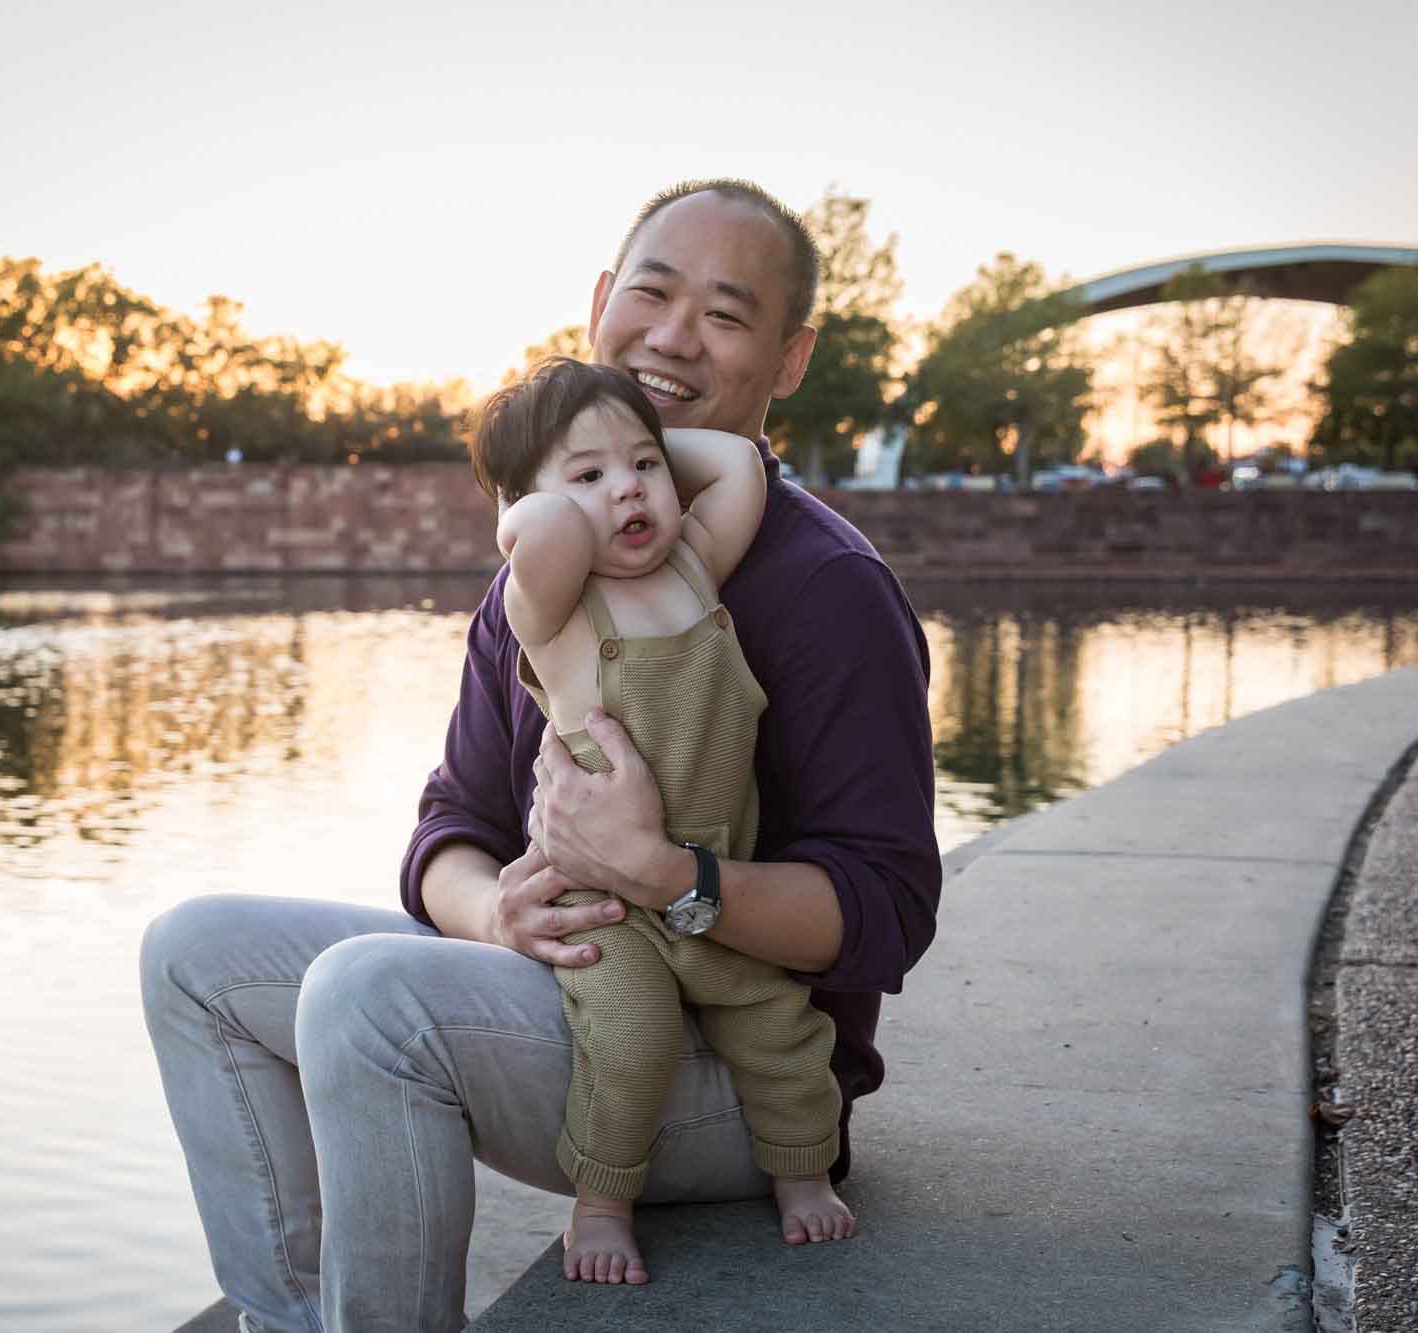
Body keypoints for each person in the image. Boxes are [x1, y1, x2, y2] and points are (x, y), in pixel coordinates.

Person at [141, 179, 942, 1333]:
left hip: (734, 1084)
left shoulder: (828, 587)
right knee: (192, 954)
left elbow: (888, 908)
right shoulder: (542, 575)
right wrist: (494, 915)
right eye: (652, 295)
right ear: (601, 303)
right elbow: (447, 826)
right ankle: (288, 1318)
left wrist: (673, 875)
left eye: (724, 315)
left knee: (368, 994)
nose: (671, 336)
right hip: (563, 988)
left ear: (788, 357)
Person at [471, 356, 847, 1283]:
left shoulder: (692, 561)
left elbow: (739, 461)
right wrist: (534, 496)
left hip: (711, 879)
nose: (629, 490)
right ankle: (601, 1201)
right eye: (589, 476)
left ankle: (801, 1174)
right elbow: (547, 533)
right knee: (630, 1042)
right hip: (608, 903)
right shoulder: (553, 606)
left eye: (644, 466)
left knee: (783, 1029)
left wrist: (622, 433)